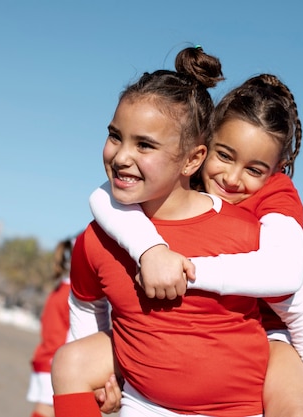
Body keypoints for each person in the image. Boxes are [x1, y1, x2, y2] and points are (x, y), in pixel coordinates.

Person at [87, 73, 303, 416]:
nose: (232, 178)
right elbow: (103, 198)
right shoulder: (186, 186)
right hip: (199, 338)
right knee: (72, 363)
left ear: (276, 170)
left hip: (269, 332)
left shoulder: (275, 197)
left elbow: (292, 282)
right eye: (224, 155)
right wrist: (150, 250)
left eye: (254, 169)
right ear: (201, 149)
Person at [52, 46, 272, 417]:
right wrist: (102, 380)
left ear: (192, 159)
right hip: (141, 404)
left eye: (145, 145)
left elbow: (291, 316)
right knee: (67, 362)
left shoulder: (244, 232)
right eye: (115, 136)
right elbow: (85, 302)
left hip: (233, 410)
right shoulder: (95, 240)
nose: (121, 156)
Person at [26, 237, 74, 417]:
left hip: (44, 357)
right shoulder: (73, 294)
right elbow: (73, 334)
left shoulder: (59, 289)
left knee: (43, 411)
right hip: (53, 362)